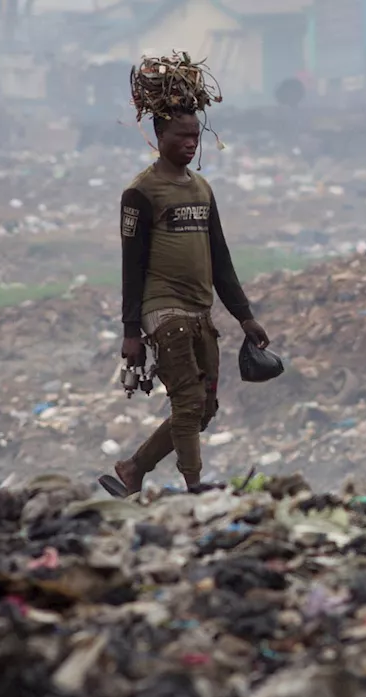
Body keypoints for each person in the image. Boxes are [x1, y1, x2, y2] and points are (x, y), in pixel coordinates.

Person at [105, 110, 270, 495]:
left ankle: (134, 467)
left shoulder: (201, 189)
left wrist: (244, 316)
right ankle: (194, 485)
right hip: (163, 309)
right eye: (182, 136)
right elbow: (132, 265)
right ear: (159, 135)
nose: (191, 143)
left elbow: (220, 257)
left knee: (204, 408)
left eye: (196, 136)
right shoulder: (141, 192)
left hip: (200, 309)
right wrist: (131, 331)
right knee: (188, 398)